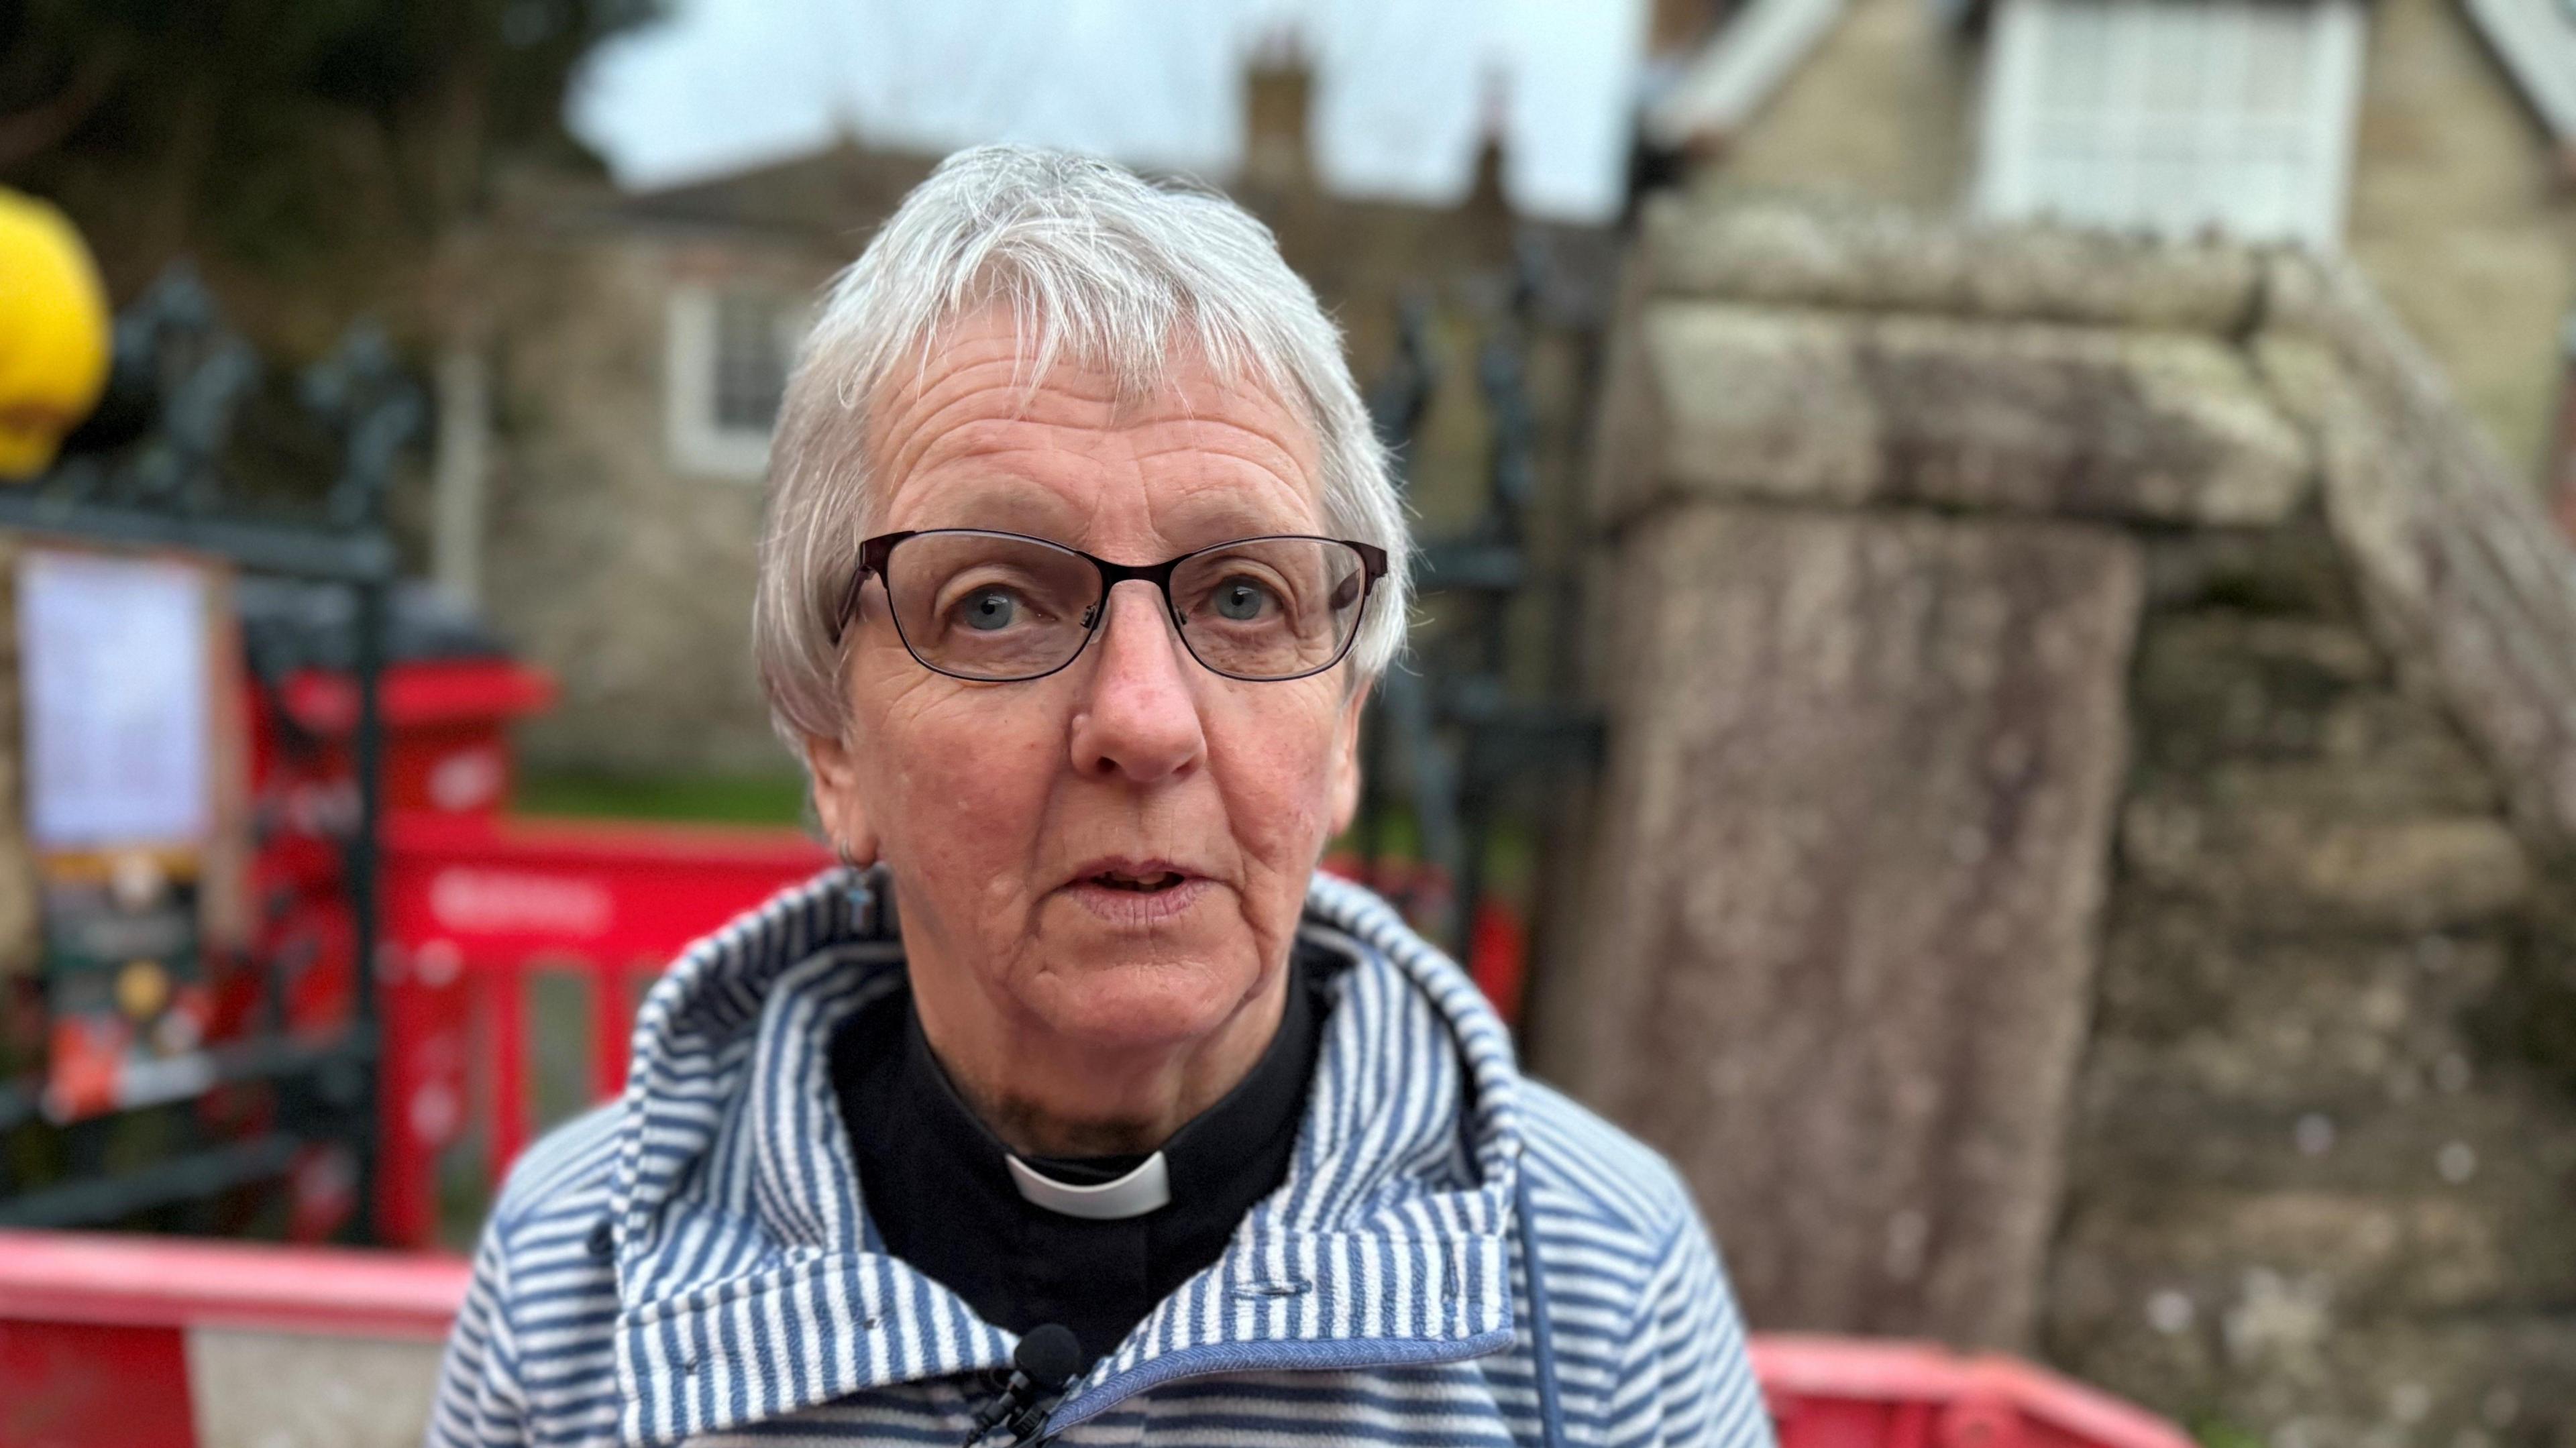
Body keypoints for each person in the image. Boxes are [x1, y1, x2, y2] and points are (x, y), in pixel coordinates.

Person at [429, 145, 1772, 1448]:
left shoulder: (1594, 1280)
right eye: (997, 603)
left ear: (1348, 727)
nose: (1143, 719)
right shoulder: (582, 1271)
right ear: (833, 746)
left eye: (1245, 597)